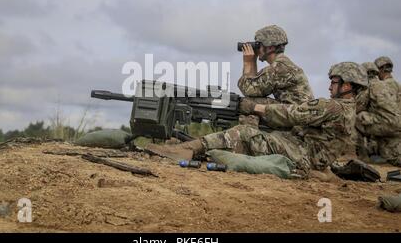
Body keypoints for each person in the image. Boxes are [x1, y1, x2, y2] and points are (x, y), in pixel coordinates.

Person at [145, 62, 367, 175]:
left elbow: (292, 114)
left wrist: (253, 106)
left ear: (347, 86)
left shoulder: (332, 106)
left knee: (247, 133)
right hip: (309, 154)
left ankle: (188, 148)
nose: (330, 85)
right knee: (258, 132)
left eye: (335, 82)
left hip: (302, 155)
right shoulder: (349, 109)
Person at [238, 25, 314, 110]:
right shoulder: (283, 64)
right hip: (297, 112)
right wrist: (253, 60)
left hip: (297, 115)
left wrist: (248, 62)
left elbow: (248, 90)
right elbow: (253, 88)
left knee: (249, 103)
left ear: (270, 47)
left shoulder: (278, 68)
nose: (257, 49)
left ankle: (247, 124)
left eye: (258, 45)